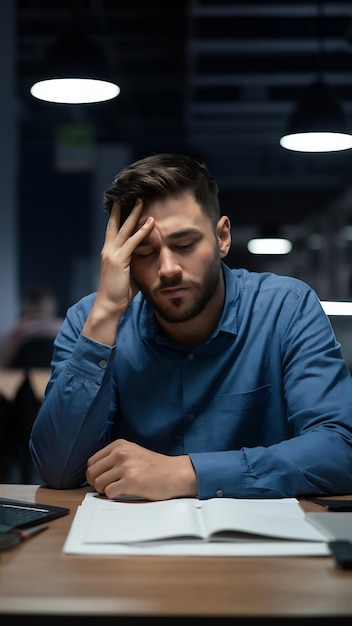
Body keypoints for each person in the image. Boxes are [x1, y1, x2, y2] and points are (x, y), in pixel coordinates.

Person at [29, 153, 352, 500]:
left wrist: (186, 473)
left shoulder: (286, 308)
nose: (167, 267)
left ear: (222, 237)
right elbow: (58, 471)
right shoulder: (90, 322)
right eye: (144, 252)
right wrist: (106, 313)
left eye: (184, 244)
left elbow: (340, 450)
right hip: (130, 546)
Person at [1, 286, 64, 368]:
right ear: (54, 307)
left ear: (26, 306)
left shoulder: (19, 331)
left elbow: (5, 363)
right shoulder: (64, 328)